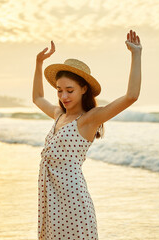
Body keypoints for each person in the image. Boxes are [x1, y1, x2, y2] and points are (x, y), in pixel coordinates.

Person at [32, 29, 142, 239]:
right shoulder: (58, 115)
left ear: (84, 89)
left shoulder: (89, 120)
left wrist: (136, 54)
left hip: (73, 203)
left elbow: (131, 96)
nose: (63, 96)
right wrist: (38, 63)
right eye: (59, 90)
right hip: (51, 200)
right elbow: (37, 97)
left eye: (70, 90)